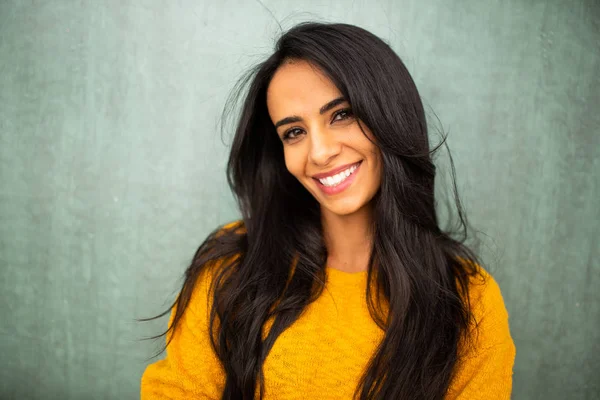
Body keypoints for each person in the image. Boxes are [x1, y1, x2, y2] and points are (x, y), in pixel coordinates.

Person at [140, 21, 516, 400]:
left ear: (390, 115)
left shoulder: (468, 298)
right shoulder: (232, 267)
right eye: (294, 132)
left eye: (341, 114)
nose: (319, 152)